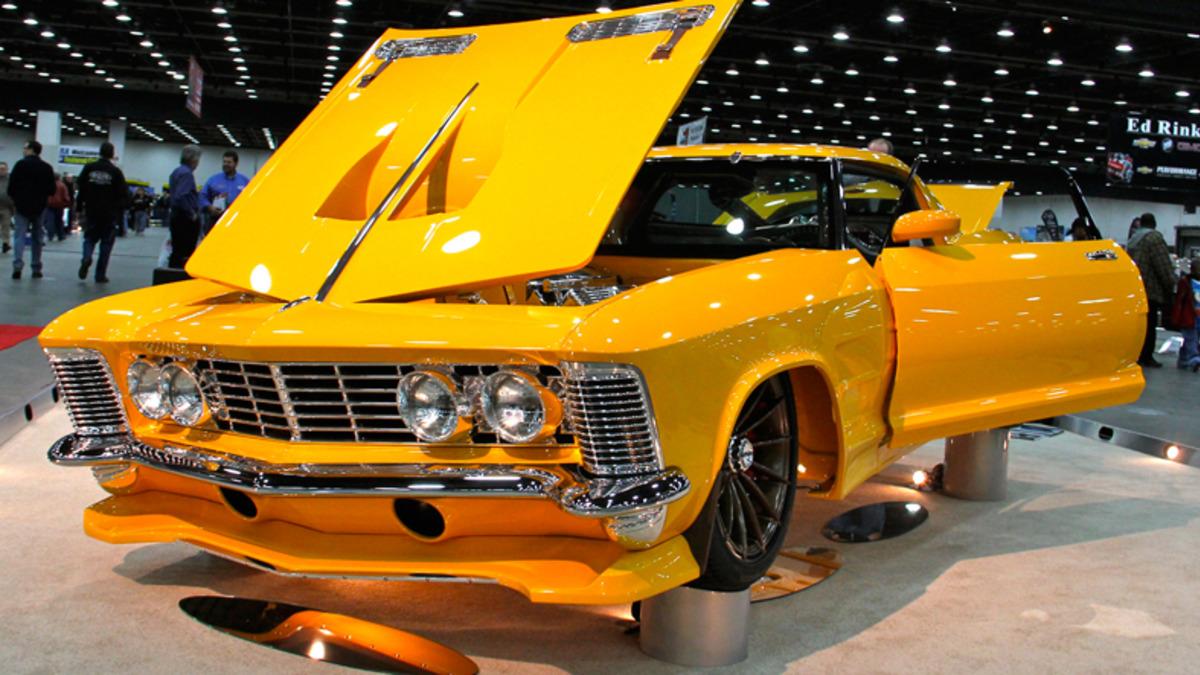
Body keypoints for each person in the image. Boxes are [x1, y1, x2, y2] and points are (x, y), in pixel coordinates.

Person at [1126, 212, 1177, 368]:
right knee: (1150, 324)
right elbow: (1162, 265)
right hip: (1150, 290)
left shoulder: (1133, 240)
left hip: (1134, 289)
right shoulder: (1154, 238)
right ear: (1154, 224)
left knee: (1138, 326)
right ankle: (1147, 356)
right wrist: (1171, 284)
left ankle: (1136, 354)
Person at [75, 141, 128, 283]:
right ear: (112, 154)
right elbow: (123, 194)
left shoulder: (89, 168)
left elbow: (81, 190)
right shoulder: (116, 172)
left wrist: (79, 208)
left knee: (89, 238)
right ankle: (100, 274)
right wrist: (118, 211)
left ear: (100, 152)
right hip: (109, 213)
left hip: (91, 211)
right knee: (106, 243)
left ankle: (86, 257)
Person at [6, 139, 56, 280]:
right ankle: (36, 267)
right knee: (37, 237)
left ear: (31, 150)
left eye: (25, 148)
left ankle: (17, 266)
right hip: (39, 207)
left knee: (19, 236)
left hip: (21, 206)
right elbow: (52, 190)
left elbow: (11, 187)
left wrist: (16, 199)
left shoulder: (20, 165)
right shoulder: (46, 167)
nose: (23, 150)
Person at [199, 150, 250, 237]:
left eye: (229, 162)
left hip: (236, 221)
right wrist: (209, 207)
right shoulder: (213, 180)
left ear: (236, 164)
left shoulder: (244, 181)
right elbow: (202, 196)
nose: (225, 164)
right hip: (216, 220)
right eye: (224, 162)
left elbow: (250, 200)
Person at [168, 145, 202, 268]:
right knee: (185, 251)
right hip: (185, 219)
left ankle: (172, 272)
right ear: (193, 159)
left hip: (175, 216)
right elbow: (181, 196)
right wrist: (191, 213)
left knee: (176, 250)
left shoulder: (176, 172)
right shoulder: (187, 174)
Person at [1171, 257, 1200, 372]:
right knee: (1191, 339)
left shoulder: (1185, 282)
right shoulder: (1186, 283)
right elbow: (1180, 301)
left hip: (1194, 317)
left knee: (1190, 340)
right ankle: (1194, 359)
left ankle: (1183, 360)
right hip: (1189, 317)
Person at [45, 172, 72, 241]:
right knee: (59, 221)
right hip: (60, 205)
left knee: (50, 220)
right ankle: (60, 235)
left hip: (49, 204)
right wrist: (67, 203)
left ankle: (50, 235)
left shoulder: (48, 184)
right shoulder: (62, 185)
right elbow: (66, 196)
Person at [0, 161, 13, 254]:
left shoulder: (10, 180)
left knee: (6, 226)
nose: (2, 171)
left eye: (3, 169)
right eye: (0, 169)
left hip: (6, 206)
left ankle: (5, 243)